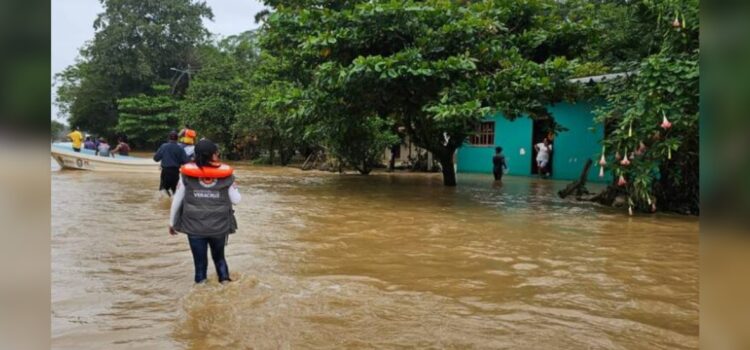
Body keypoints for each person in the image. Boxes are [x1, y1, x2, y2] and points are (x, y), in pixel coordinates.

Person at [169, 139, 240, 284]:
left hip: (194, 228)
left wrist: (171, 222)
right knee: (219, 258)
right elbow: (237, 200)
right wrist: (235, 187)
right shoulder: (227, 176)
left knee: (200, 265)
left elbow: (177, 199)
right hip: (219, 227)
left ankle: (201, 290)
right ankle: (225, 284)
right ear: (214, 155)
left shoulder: (185, 175)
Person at [154, 131, 189, 196]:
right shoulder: (180, 148)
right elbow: (186, 161)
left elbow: (156, 158)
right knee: (175, 192)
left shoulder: (163, 146)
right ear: (177, 139)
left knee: (163, 191)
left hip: (165, 172)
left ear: (168, 138)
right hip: (175, 173)